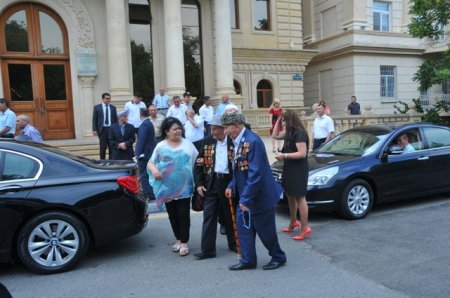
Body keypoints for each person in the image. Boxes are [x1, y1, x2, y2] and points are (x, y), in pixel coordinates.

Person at [223, 111, 286, 271]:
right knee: (243, 229)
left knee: (265, 231)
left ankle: (278, 256)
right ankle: (248, 260)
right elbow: (239, 169)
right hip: (246, 194)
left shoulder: (253, 141)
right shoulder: (237, 141)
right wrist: (232, 184)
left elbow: (255, 174)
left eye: (227, 127)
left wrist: (245, 199)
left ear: (236, 126)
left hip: (258, 196)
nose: (225, 131)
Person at [147, 117, 198, 257]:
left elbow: (197, 163)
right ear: (166, 131)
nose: (178, 131)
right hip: (167, 188)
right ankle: (178, 239)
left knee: (183, 215)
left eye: (180, 128)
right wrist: (155, 171)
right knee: (172, 215)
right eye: (175, 129)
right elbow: (150, 163)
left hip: (185, 188)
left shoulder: (188, 144)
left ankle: (184, 243)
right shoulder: (161, 146)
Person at [193, 115, 237, 259]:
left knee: (231, 216)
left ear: (224, 129)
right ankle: (208, 250)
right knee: (209, 216)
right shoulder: (208, 141)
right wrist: (199, 184)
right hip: (211, 183)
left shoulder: (234, 141)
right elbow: (198, 165)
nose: (212, 132)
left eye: (215, 128)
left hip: (228, 183)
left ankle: (234, 244)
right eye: (211, 128)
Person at [273, 110, 311, 240]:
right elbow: (275, 135)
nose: (283, 123)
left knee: (300, 197)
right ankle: (293, 222)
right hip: (289, 167)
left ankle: (305, 228)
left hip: (298, 169)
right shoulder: (289, 132)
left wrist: (284, 155)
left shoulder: (299, 133)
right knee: (290, 195)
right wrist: (278, 119)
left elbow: (302, 153)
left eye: (284, 120)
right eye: (282, 120)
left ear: (290, 120)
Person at [135, 108, 156, 201]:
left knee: (143, 175)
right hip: (149, 152)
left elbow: (141, 140)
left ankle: (149, 194)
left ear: (140, 115)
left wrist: (138, 153)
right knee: (147, 174)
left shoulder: (144, 125)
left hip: (144, 154)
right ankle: (151, 193)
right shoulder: (149, 123)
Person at [92, 93, 118, 159]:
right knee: (103, 147)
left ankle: (111, 161)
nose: (108, 100)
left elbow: (115, 120)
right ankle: (102, 161)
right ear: (103, 99)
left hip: (111, 129)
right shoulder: (97, 107)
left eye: (109, 98)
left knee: (111, 147)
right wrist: (94, 129)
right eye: (107, 98)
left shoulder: (113, 108)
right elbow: (94, 119)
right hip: (102, 130)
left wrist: (117, 129)